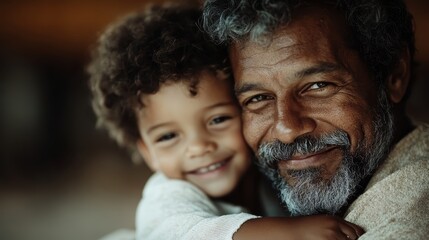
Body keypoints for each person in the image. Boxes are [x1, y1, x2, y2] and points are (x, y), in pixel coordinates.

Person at [88, 3, 364, 240]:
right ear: (147, 152)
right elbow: (189, 233)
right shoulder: (167, 197)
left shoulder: (266, 174)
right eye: (168, 137)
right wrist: (294, 232)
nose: (200, 147)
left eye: (218, 119)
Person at [202, 0, 429, 239]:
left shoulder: (407, 222)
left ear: (395, 75)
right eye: (258, 98)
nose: (287, 130)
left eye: (318, 86)